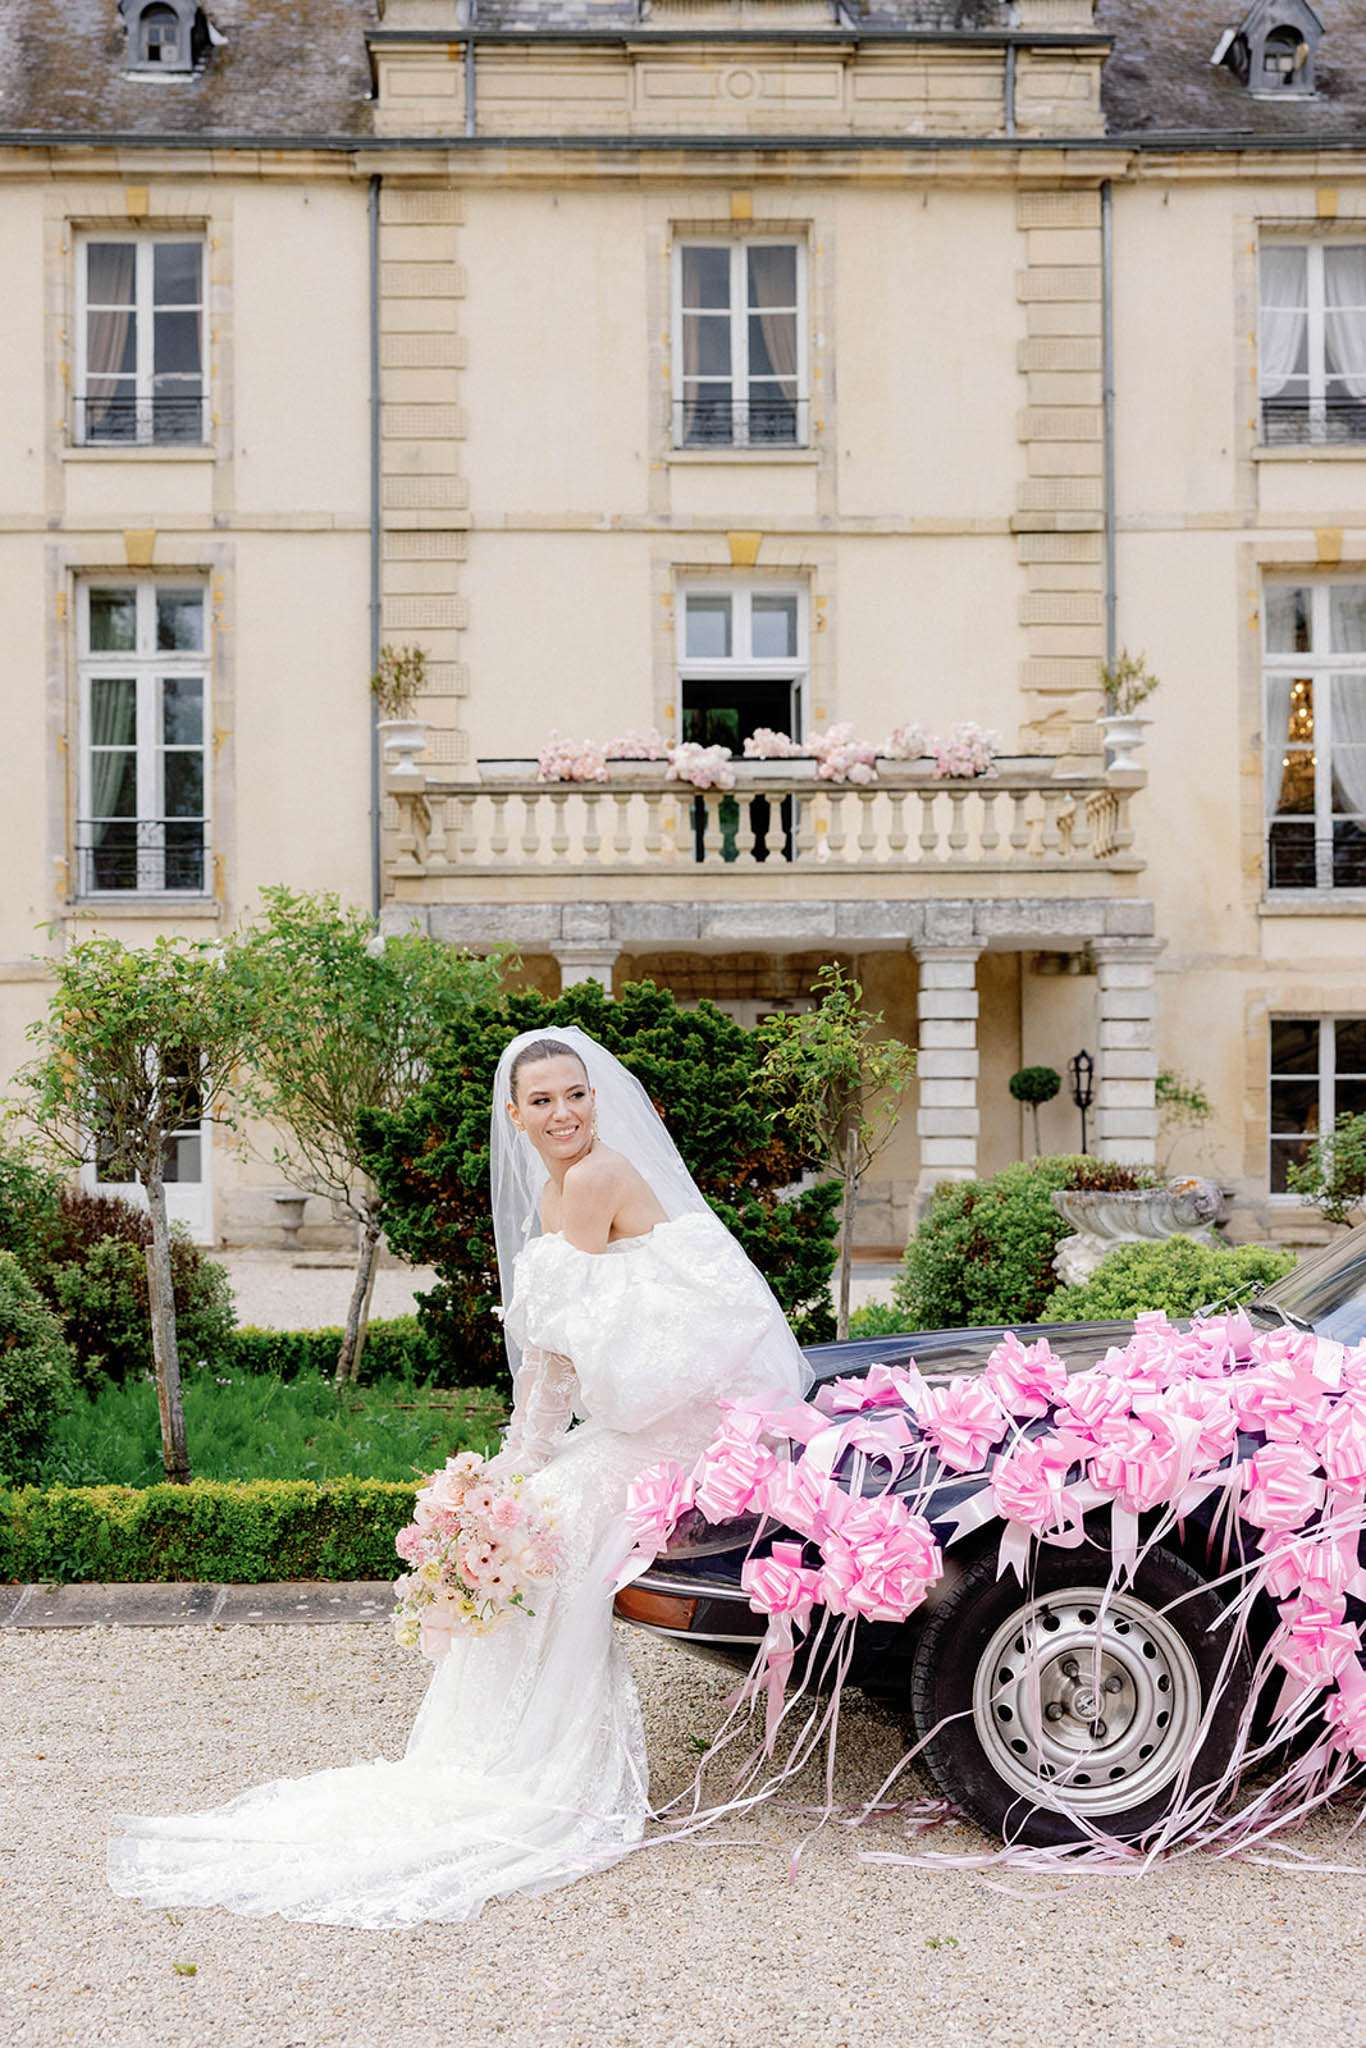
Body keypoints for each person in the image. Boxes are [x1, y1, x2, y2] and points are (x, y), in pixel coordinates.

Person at [106, 1025, 814, 1927]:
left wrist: (523, 1458)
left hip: (690, 1436)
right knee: (532, 1507)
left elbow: (558, 1350)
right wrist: (520, 1459)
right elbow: (567, 1347)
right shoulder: (565, 1188)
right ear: (515, 1116)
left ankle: (534, 1761)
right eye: (544, 1101)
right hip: (643, 1424)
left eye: (576, 1094)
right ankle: (494, 1751)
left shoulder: (594, 1182)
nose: (564, 1113)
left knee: (542, 1517)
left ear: (598, 1100)